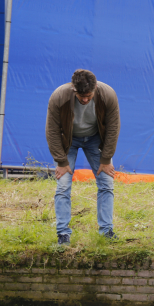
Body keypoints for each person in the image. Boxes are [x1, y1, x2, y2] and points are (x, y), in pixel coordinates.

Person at [46, 69, 121, 245]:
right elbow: (52, 131)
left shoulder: (107, 94)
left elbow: (113, 128)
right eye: (81, 96)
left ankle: (106, 231)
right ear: (73, 88)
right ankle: (63, 233)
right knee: (63, 185)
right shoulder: (59, 96)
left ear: (95, 88)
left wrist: (106, 159)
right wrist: (61, 161)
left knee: (106, 182)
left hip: (95, 139)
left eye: (89, 95)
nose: (85, 99)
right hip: (69, 140)